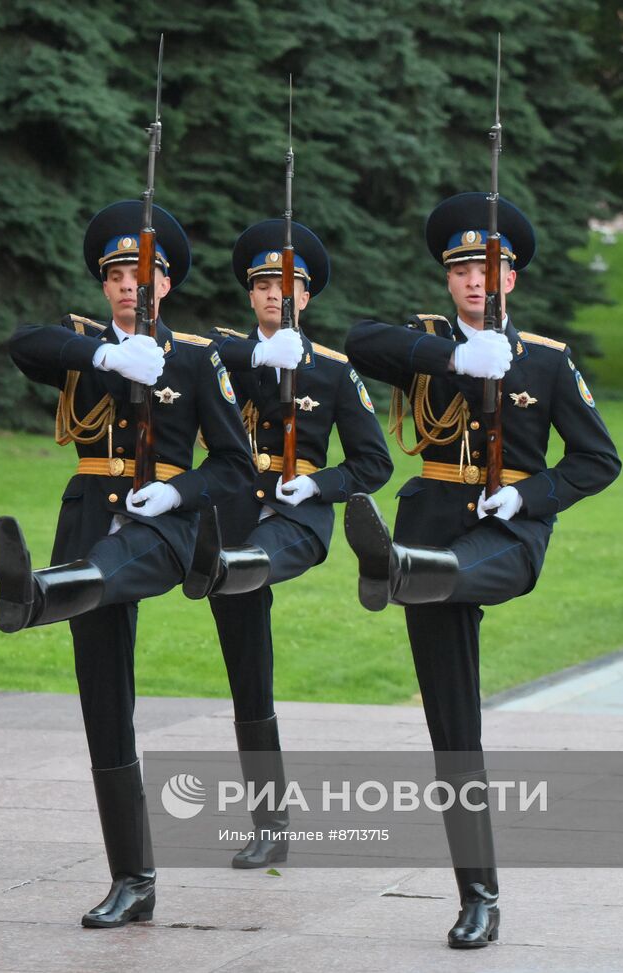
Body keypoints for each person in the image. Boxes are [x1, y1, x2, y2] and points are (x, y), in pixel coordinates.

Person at [342, 192, 621, 948]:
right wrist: (457, 357)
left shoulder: (547, 360)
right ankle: (479, 896)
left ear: (512, 280)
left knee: (453, 569)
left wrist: (529, 493)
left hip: (507, 535)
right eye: (463, 268)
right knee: (452, 727)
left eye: (489, 267)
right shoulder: (422, 342)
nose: (475, 280)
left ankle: (399, 569)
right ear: (447, 279)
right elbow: (357, 341)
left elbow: (600, 460)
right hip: (431, 519)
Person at [0, 199, 253, 928]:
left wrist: (177, 492)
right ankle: (134, 879)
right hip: (87, 511)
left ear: (165, 285)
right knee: (106, 704)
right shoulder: (81, 345)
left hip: (158, 526)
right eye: (118, 276)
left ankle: (32, 594)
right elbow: (24, 343)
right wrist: (104, 355)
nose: (132, 286)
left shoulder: (198, 359)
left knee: (111, 565)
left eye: (145, 275)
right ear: (105, 286)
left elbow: (234, 466)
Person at [182, 219, 392, 868]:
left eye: (289, 285)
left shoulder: (331, 372)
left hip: (296, 522)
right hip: (231, 521)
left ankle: (217, 562)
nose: (277, 295)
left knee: (254, 560)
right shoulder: (219, 359)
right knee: (250, 679)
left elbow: (373, 463)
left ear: (307, 297)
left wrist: (318, 484)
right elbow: (179, 366)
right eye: (265, 284)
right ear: (251, 295)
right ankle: (269, 822)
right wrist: (252, 359)